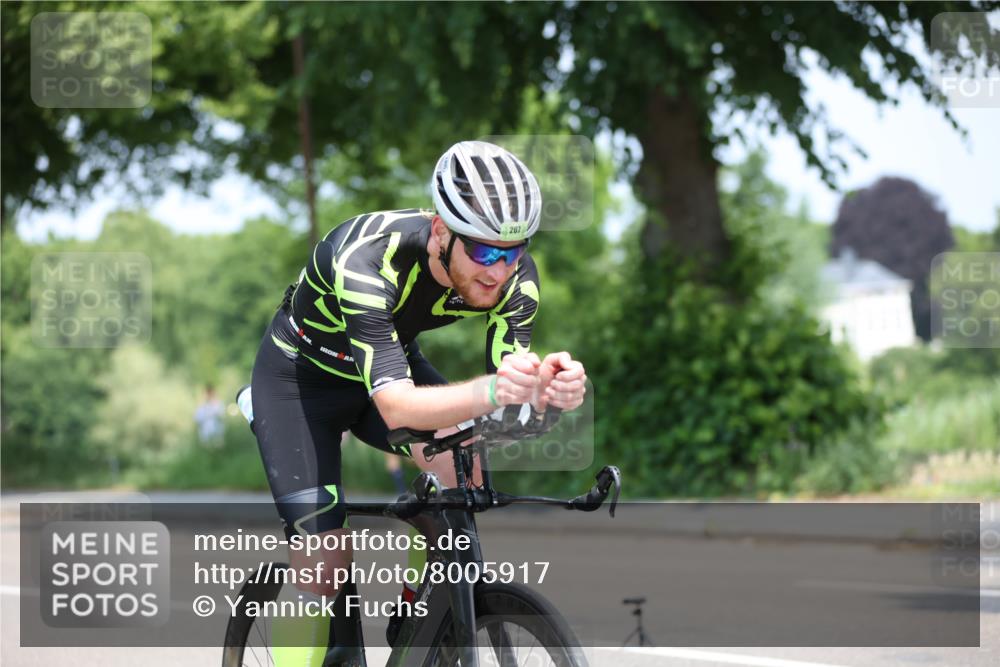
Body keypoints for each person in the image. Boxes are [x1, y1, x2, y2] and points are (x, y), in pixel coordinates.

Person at [245, 140, 587, 665]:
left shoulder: (515, 276)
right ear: (441, 232)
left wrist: (548, 391)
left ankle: (419, 618)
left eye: (513, 250)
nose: (499, 270)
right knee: (324, 565)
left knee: (464, 472)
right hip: (301, 384)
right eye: (483, 251)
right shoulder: (364, 258)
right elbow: (400, 409)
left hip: (388, 364)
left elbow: (507, 386)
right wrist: (495, 393)